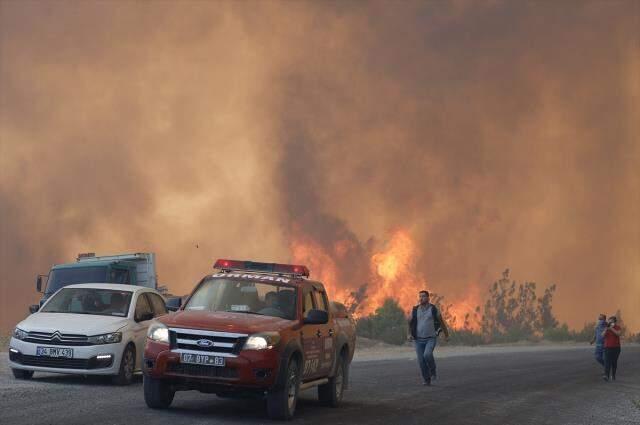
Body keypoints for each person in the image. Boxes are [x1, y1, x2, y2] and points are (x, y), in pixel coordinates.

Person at [408, 290, 449, 386]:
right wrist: (408, 334)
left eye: (423, 296)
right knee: (421, 361)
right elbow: (410, 323)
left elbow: (442, 323)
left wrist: (446, 335)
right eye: (420, 296)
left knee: (427, 355)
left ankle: (433, 370)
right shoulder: (415, 310)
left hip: (430, 338)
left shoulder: (433, 310)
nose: (421, 298)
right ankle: (427, 380)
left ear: (428, 298)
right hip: (418, 340)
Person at [602, 316, 622, 381]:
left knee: (614, 362)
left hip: (616, 348)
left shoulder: (617, 327)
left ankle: (613, 375)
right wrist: (606, 329)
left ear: (615, 322)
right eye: (609, 321)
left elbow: (618, 334)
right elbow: (602, 335)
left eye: (612, 321)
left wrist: (611, 328)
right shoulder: (606, 328)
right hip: (607, 347)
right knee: (607, 362)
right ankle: (606, 375)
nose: (610, 322)